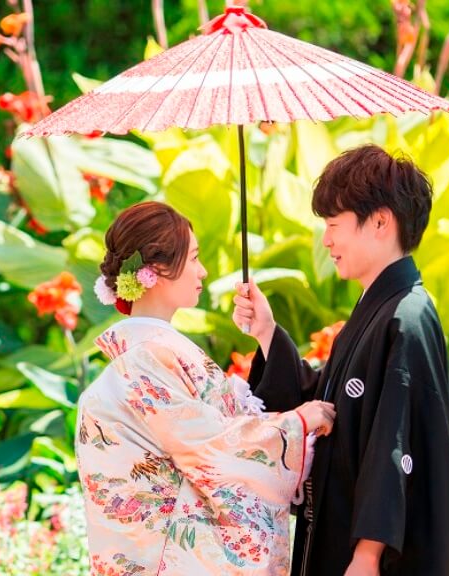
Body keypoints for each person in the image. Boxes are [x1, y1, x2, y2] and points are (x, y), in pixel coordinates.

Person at [233, 145, 449, 576]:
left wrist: (367, 555)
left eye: (334, 224)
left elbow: (393, 444)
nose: (326, 240)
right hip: (342, 536)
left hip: (371, 558)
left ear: (380, 222)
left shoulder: (407, 316)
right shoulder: (379, 306)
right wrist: (266, 332)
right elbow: (328, 403)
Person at [76, 201, 336, 575]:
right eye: (194, 257)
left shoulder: (151, 353)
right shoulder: (147, 359)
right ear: (156, 270)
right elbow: (211, 448)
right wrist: (298, 424)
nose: (203, 270)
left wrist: (265, 333)